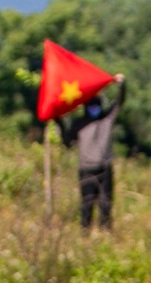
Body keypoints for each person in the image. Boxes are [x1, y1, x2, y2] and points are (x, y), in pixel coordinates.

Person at [65, 74, 126, 231]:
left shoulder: (106, 119)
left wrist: (121, 86)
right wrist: (58, 120)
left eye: (96, 105)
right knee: (87, 206)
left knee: (106, 204)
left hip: (104, 167)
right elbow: (68, 142)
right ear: (85, 107)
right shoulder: (79, 123)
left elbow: (119, 103)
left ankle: (105, 234)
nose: (94, 108)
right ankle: (85, 235)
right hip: (86, 170)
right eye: (91, 105)